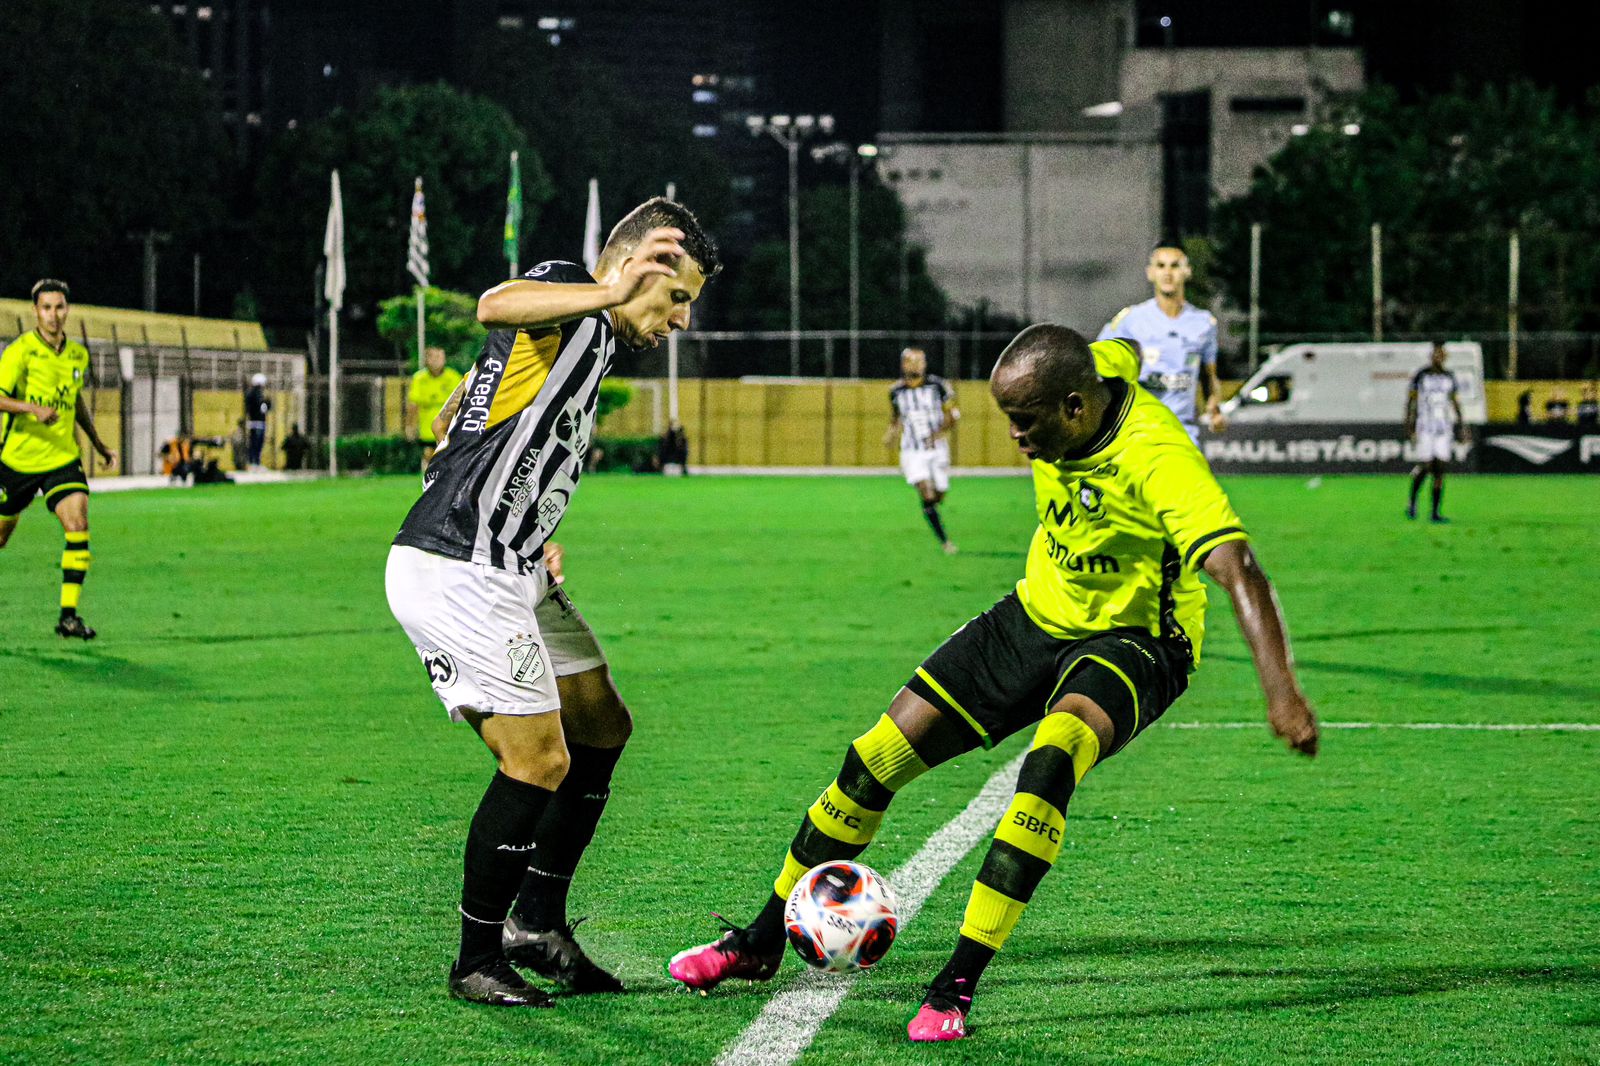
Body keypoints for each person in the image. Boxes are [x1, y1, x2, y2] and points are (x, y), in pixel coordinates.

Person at [667, 325, 1319, 1044]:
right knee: (874, 758)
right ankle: (760, 941)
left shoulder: (1156, 456)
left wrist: (1281, 691)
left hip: (1139, 641)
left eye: (1025, 420)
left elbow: (1239, 568)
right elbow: (1121, 344)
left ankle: (954, 986)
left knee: (1051, 759)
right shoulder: (1092, 373)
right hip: (1035, 613)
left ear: (1076, 408)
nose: (1012, 435)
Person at [385, 198, 720, 1008]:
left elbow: (448, 420)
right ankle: (477, 957)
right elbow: (494, 304)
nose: (679, 320)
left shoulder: (589, 343)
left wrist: (526, 521)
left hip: (512, 562)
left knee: (603, 723)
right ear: (635, 262)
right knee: (538, 759)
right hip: (460, 564)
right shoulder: (572, 295)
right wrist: (607, 291)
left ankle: (538, 922)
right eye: (675, 297)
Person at [0, 279, 118, 639]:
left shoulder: (78, 355)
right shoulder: (20, 351)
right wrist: (30, 408)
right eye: (47, 308)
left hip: (62, 458)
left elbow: (76, 402)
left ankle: (68, 617)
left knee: (78, 524)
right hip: (18, 462)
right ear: (36, 311)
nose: (54, 315)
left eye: (60, 307)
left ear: (68, 309)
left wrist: (97, 443)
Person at [1097, 245, 1225, 443]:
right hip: (1139, 433)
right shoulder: (1130, 320)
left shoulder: (1204, 323)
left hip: (1183, 434)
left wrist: (1214, 409)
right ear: (1150, 273)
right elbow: (1098, 363)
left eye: (1174, 266)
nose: (1167, 273)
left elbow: (1209, 377)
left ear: (1187, 271)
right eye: (1161, 266)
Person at [884, 347, 960, 554]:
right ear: (904, 364)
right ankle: (945, 541)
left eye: (920, 361)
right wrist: (890, 435)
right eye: (912, 361)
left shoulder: (938, 386)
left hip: (937, 450)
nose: (916, 365)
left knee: (939, 495)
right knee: (926, 493)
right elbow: (896, 417)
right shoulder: (896, 391)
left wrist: (937, 434)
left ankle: (931, 508)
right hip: (911, 451)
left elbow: (953, 416)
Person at [1404, 342, 1464, 523]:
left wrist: (1462, 425)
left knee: (1440, 470)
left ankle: (1435, 513)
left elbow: (1454, 402)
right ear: (1432, 356)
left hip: (1443, 429)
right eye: (1436, 354)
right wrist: (1410, 425)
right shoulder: (1421, 376)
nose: (1439, 357)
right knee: (1426, 465)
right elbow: (1411, 402)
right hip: (1425, 427)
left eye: (1442, 355)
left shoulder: (1449, 377)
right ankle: (1412, 502)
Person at [407, 345, 464, 472]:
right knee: (429, 455)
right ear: (427, 359)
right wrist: (410, 425)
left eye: (440, 357)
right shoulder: (419, 378)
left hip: (450, 426)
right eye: (434, 357)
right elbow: (413, 404)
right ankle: (429, 480)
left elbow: (463, 401)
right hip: (427, 427)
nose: (437, 360)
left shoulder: (454, 377)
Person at [244, 373, 270, 468]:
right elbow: (263, 408)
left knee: (254, 442)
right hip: (257, 422)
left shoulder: (251, 394)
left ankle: (254, 462)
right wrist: (266, 401)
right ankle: (254, 462)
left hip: (254, 422)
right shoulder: (257, 395)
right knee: (256, 443)